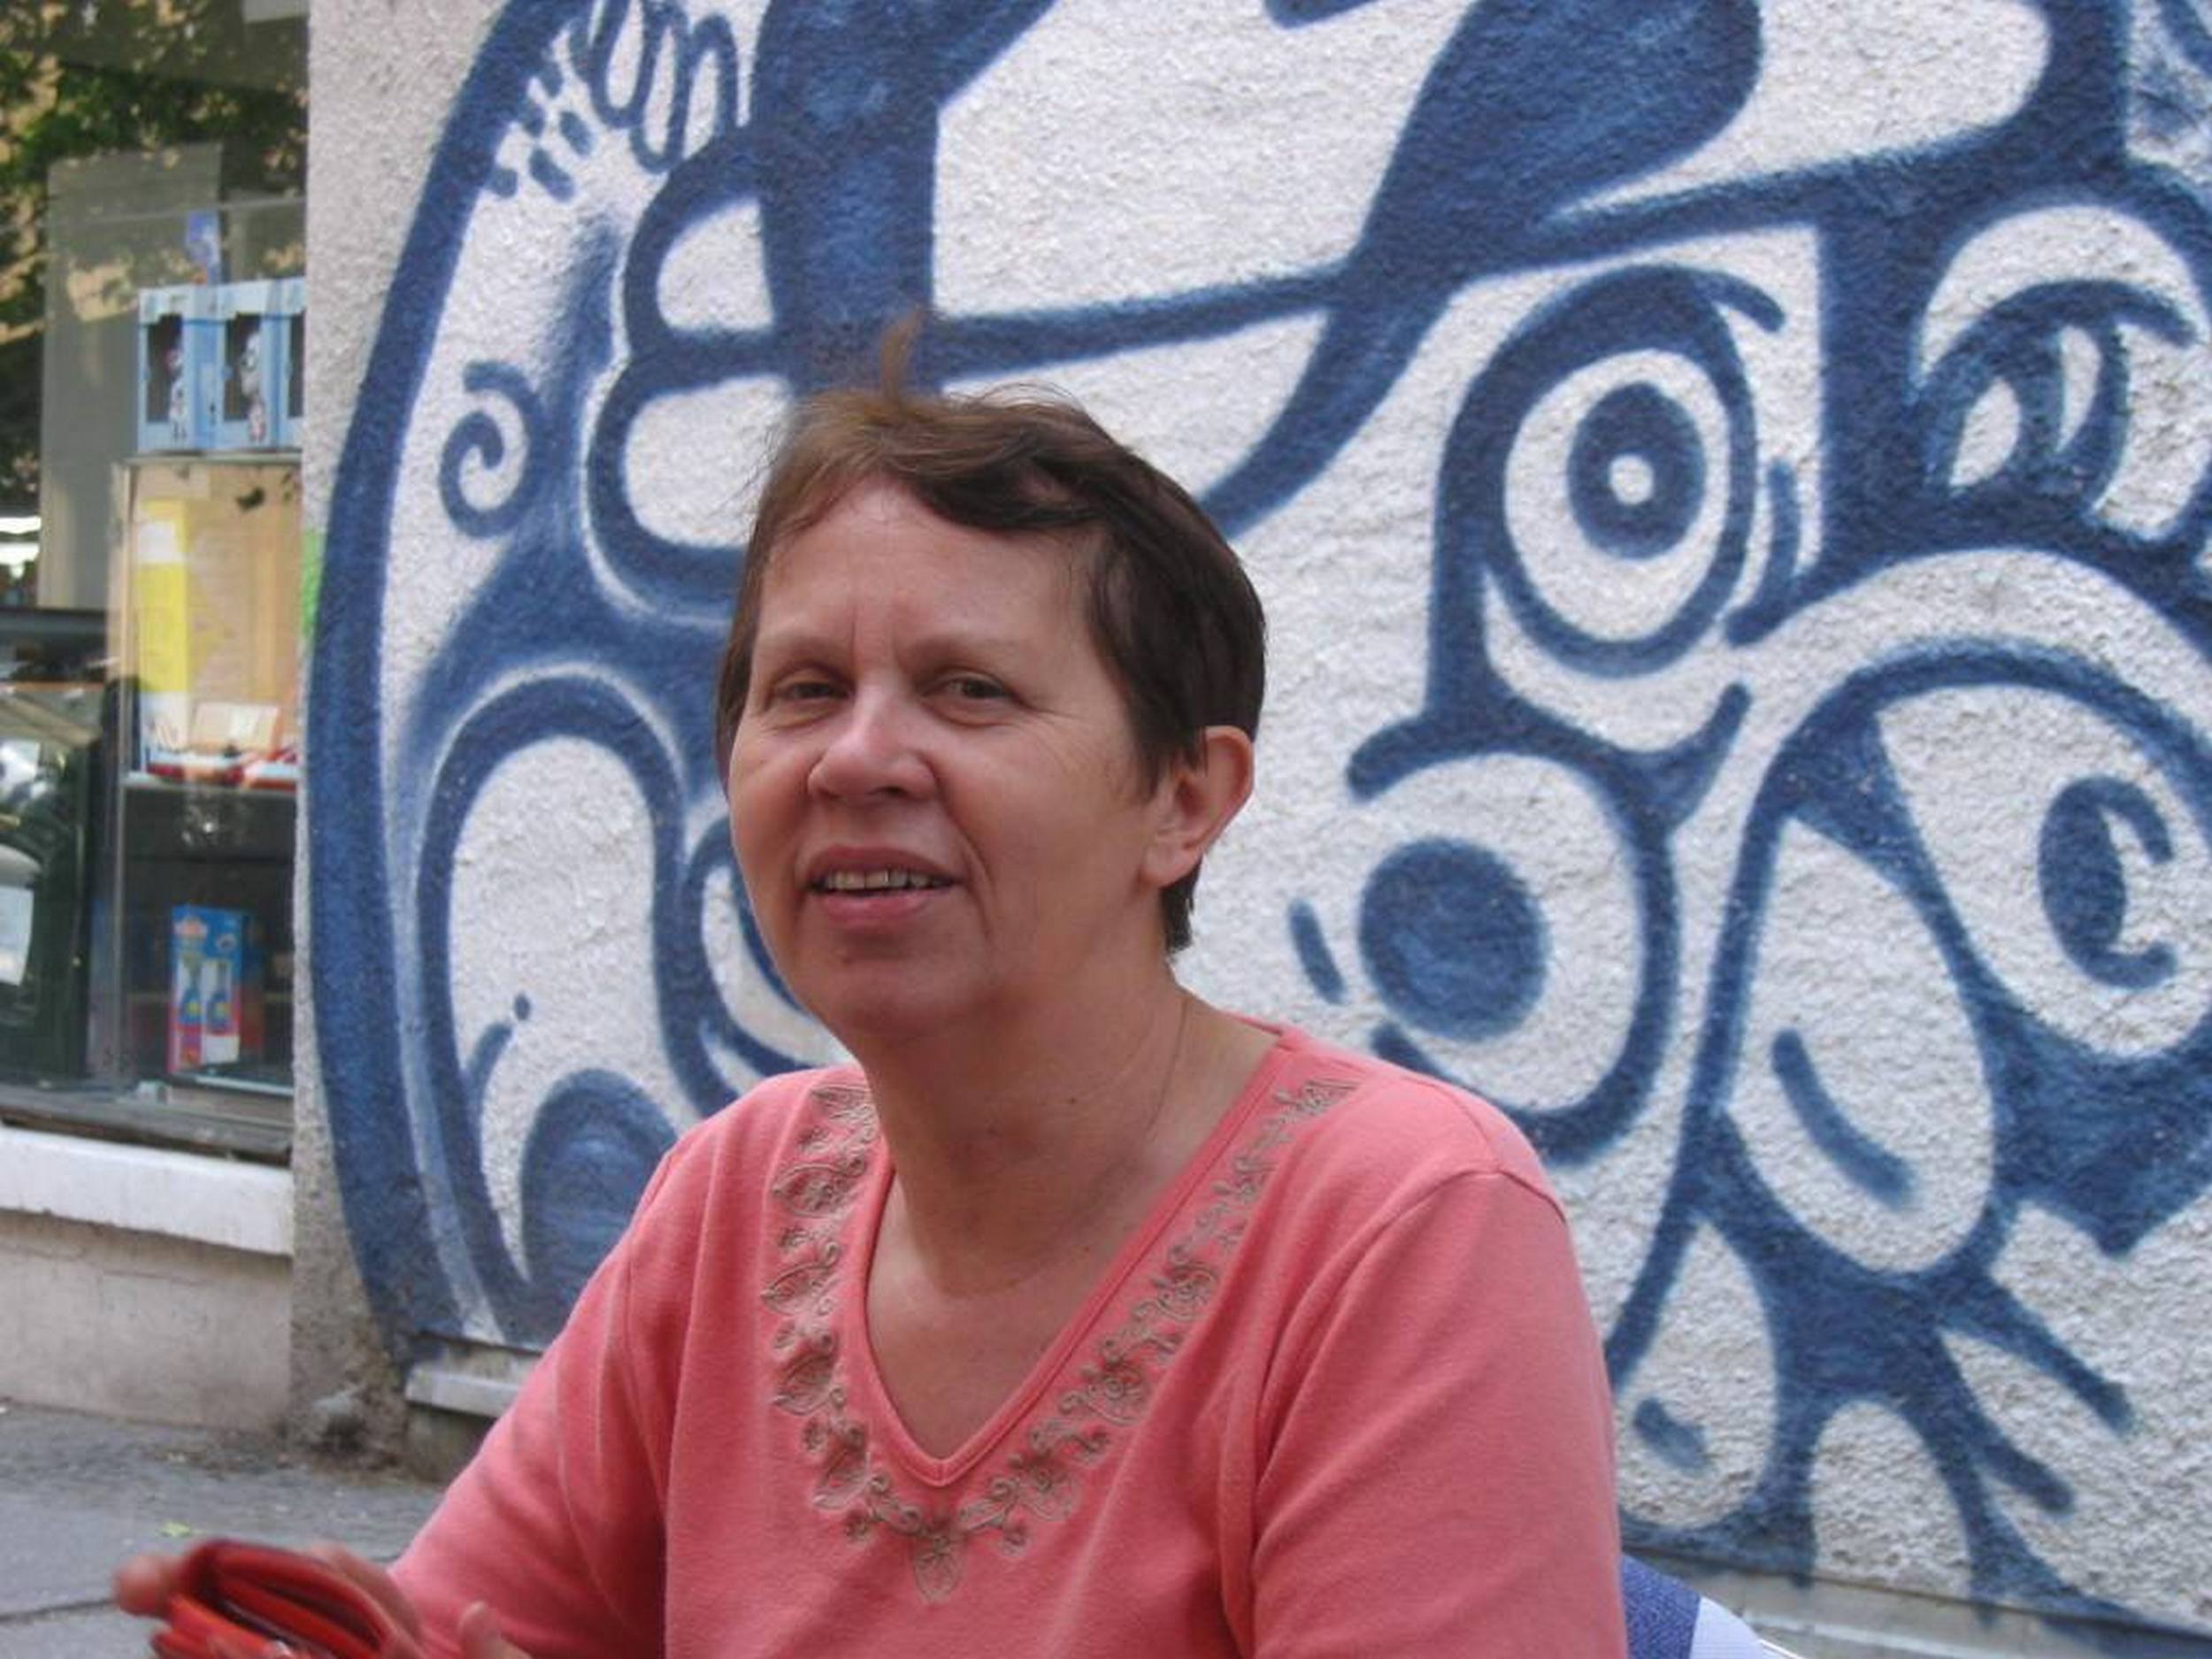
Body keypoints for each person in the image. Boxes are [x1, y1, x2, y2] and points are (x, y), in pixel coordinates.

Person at [120, 355, 1627, 1655]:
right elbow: (469, 1620)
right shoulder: (738, 1198)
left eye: (970, 689)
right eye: (803, 690)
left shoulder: (1401, 1228)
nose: (856, 760)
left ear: (1183, 799)